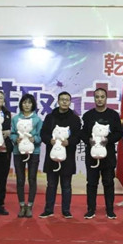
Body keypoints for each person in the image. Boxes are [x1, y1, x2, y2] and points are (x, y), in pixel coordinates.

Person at [81, 88, 123, 219]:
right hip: (92, 154)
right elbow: (82, 132)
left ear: (106, 98)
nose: (99, 99)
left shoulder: (113, 115)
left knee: (108, 182)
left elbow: (119, 133)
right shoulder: (88, 116)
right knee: (91, 183)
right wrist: (89, 140)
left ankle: (110, 210)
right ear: (94, 98)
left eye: (102, 97)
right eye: (97, 97)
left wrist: (108, 140)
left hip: (108, 155)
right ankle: (91, 209)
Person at [39, 91, 81, 219]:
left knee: (66, 185)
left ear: (70, 102)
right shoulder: (50, 117)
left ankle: (66, 210)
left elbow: (78, 136)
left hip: (68, 157)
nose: (64, 102)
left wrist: (69, 142)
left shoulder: (75, 119)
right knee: (51, 184)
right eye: (62, 99)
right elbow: (43, 134)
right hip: (52, 156)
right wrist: (49, 140)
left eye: (67, 100)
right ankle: (48, 210)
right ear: (58, 101)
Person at [10, 93, 42, 218]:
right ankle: (22, 205)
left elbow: (40, 136)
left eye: (29, 102)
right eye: (24, 102)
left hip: (34, 152)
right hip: (18, 152)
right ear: (21, 104)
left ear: (33, 105)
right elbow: (12, 133)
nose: (27, 105)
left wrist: (35, 139)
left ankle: (30, 206)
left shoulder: (37, 120)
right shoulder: (15, 119)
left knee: (32, 178)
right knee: (20, 179)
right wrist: (15, 139)